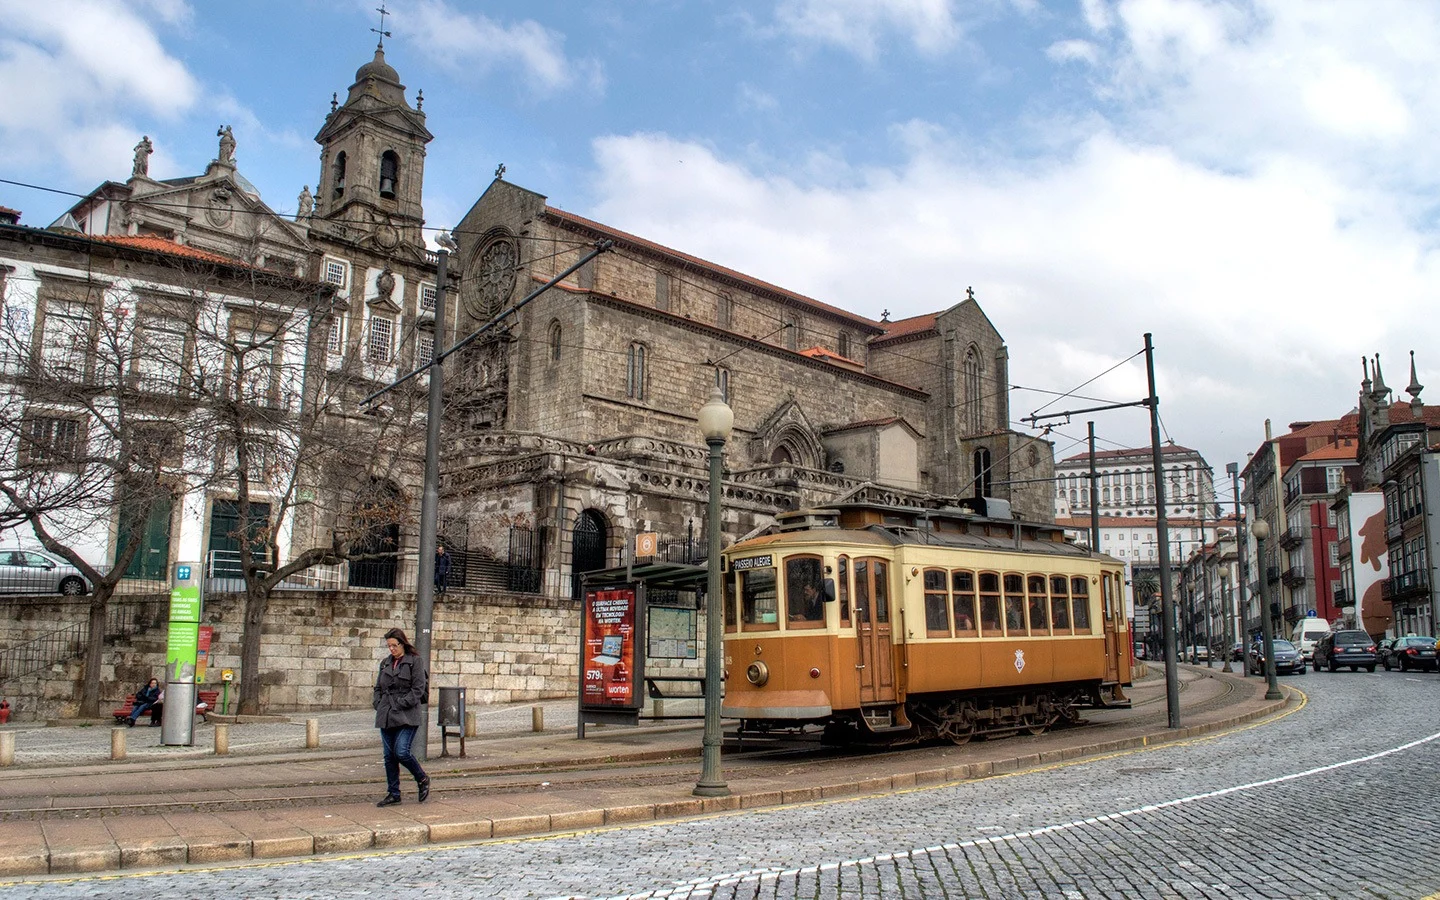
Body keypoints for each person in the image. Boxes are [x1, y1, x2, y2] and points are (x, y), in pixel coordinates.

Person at [373, 627, 430, 806]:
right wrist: (378, 703)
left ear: (402, 643)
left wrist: (401, 703)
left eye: (394, 645)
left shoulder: (415, 661)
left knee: (402, 752)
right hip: (386, 714)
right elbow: (378, 688)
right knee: (389, 756)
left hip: (406, 715)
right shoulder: (385, 663)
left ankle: (422, 778)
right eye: (389, 646)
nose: (391, 649)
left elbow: (418, 689)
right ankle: (393, 792)